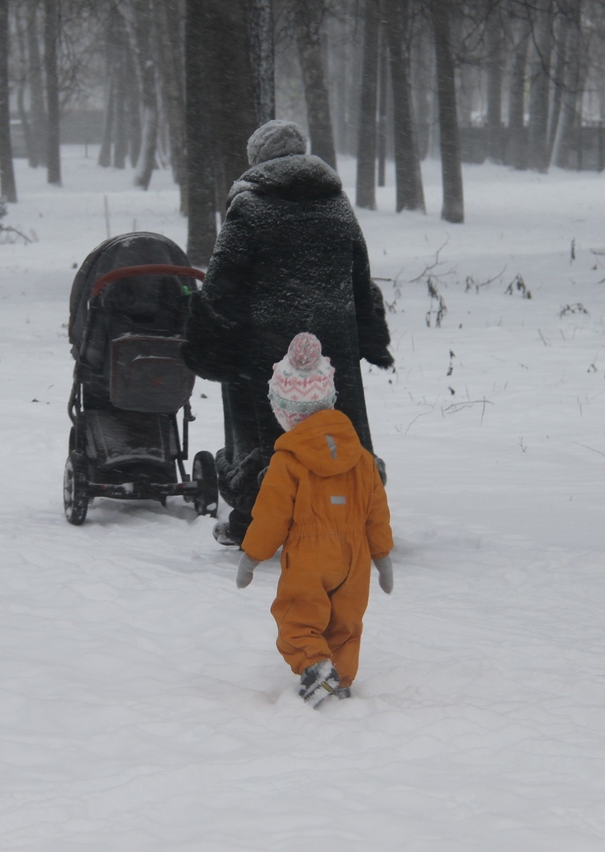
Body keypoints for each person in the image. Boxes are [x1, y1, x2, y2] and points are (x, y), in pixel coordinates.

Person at [182, 119, 393, 547]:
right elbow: (360, 279)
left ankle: (253, 520)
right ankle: (351, 513)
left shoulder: (251, 207)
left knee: (265, 434)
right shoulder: (337, 206)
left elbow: (223, 282)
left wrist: (207, 335)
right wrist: (368, 336)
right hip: (333, 346)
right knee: (337, 426)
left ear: (258, 160)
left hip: (267, 346)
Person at [235, 333, 394, 708]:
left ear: (285, 412)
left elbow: (270, 516)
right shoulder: (361, 457)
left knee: (298, 617)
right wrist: (382, 557)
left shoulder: (288, 461)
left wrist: (252, 556)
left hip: (309, 555)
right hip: (353, 558)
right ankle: (340, 680)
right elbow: (376, 511)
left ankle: (317, 668)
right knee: (346, 623)